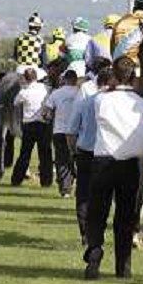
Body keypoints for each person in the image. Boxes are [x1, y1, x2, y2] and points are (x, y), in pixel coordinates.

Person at [84, 57, 143, 280]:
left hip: (103, 160)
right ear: (134, 77)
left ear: (114, 75)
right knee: (126, 217)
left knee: (97, 213)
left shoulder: (100, 100)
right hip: (132, 165)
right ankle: (123, 267)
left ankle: (94, 254)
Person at [69, 66, 117, 244]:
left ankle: (85, 232)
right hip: (107, 154)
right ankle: (99, 230)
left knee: (83, 194)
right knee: (105, 195)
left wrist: (73, 151)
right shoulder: (116, 103)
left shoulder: (85, 102)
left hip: (85, 152)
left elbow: (71, 131)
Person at [11, 67, 53, 187]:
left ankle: (16, 179)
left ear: (25, 78)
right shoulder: (46, 89)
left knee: (25, 154)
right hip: (44, 124)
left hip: (29, 125)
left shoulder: (24, 91)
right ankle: (46, 181)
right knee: (45, 154)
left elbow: (15, 102)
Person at [43, 69, 79, 197]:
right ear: (75, 80)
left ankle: (65, 190)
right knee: (76, 159)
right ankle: (77, 182)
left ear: (64, 79)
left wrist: (49, 117)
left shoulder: (56, 93)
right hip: (76, 132)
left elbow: (46, 112)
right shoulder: (80, 93)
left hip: (59, 130)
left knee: (61, 159)